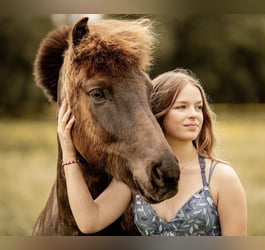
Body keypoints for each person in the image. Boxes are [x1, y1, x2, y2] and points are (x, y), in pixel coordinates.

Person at [58, 68, 247, 236]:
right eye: (182, 106)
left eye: (198, 107)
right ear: (156, 111)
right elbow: (89, 221)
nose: (194, 114)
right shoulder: (139, 176)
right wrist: (68, 152)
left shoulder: (221, 177)